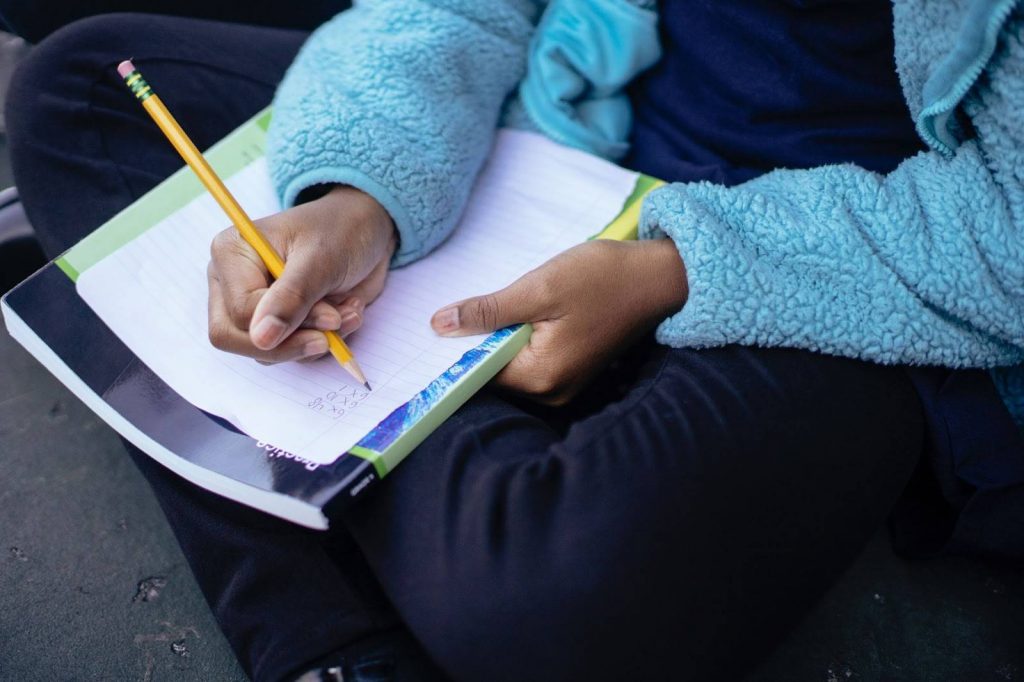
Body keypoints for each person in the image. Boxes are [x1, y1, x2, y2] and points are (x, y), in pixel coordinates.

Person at [5, 1, 1023, 680]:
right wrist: (357, 188)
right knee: (83, 89)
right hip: (569, 123)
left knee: (560, 590)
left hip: (849, 265)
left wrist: (679, 270)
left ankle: (341, 509)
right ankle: (348, 637)